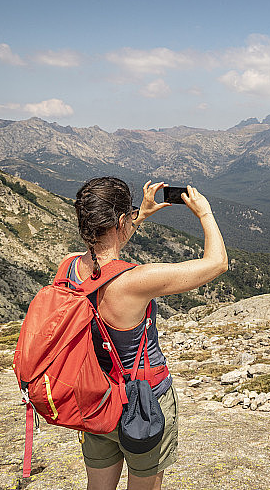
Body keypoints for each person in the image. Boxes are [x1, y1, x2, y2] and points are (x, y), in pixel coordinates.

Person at [70, 177, 227, 490]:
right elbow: (217, 263)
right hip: (143, 402)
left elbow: (103, 252)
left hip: (96, 399)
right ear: (120, 221)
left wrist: (140, 214)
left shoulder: (70, 269)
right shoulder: (135, 281)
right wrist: (205, 213)